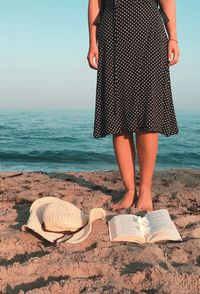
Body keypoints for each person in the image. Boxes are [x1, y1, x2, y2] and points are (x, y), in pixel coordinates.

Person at [87, 0, 180, 212]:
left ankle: (145, 189)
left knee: (149, 114)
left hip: (149, 34)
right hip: (112, 36)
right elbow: (95, 3)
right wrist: (92, 42)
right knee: (117, 116)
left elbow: (167, 2)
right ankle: (129, 189)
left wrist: (173, 37)